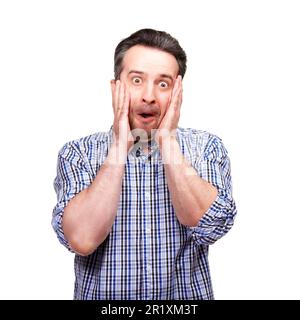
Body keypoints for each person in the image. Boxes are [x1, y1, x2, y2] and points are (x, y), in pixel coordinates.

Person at [52, 28, 237, 300]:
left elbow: (210, 227)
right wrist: (119, 149)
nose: (149, 96)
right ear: (116, 87)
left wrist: (168, 142)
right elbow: (82, 240)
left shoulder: (206, 148)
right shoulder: (77, 153)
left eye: (163, 84)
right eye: (136, 80)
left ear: (178, 92)